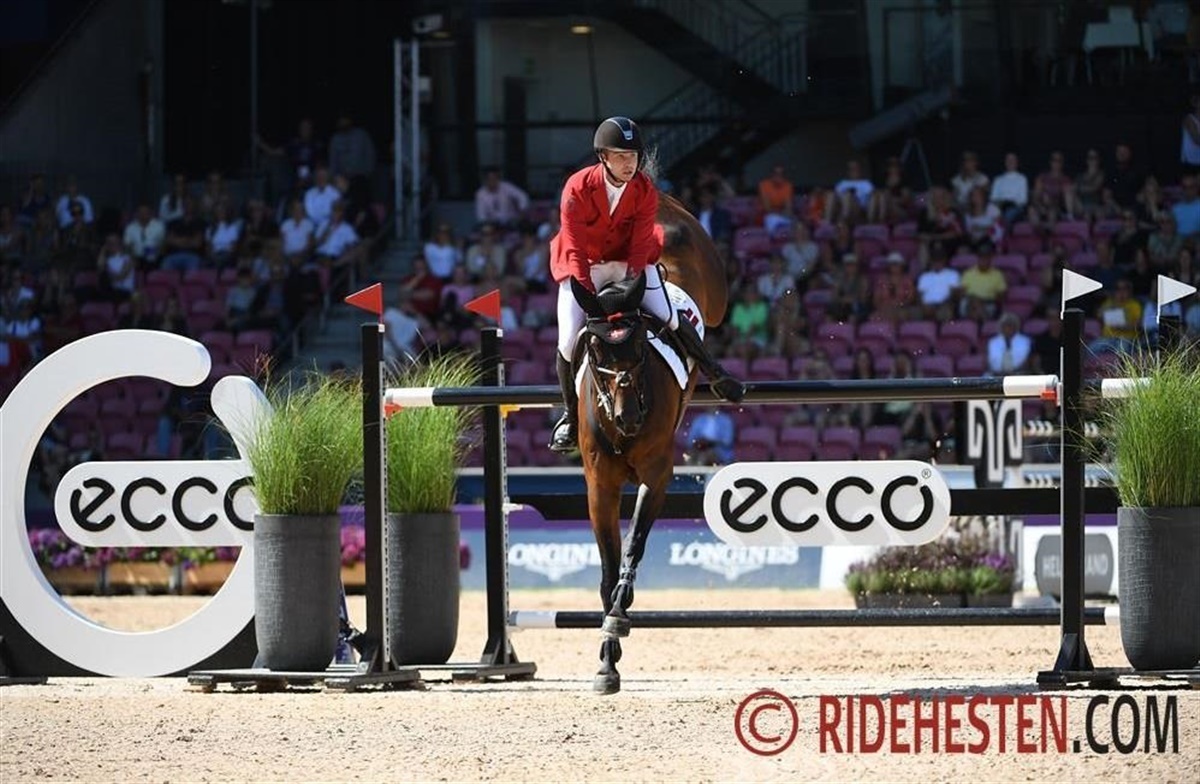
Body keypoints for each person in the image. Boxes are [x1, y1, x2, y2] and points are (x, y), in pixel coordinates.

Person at [547, 116, 745, 453]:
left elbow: (640, 245)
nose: (630, 164)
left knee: (668, 315)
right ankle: (569, 415)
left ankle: (715, 372)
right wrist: (589, 295)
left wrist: (632, 282)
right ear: (603, 157)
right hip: (585, 266)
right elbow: (576, 247)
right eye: (621, 157)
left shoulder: (643, 190)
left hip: (629, 261)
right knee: (567, 341)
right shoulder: (577, 188)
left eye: (633, 156)